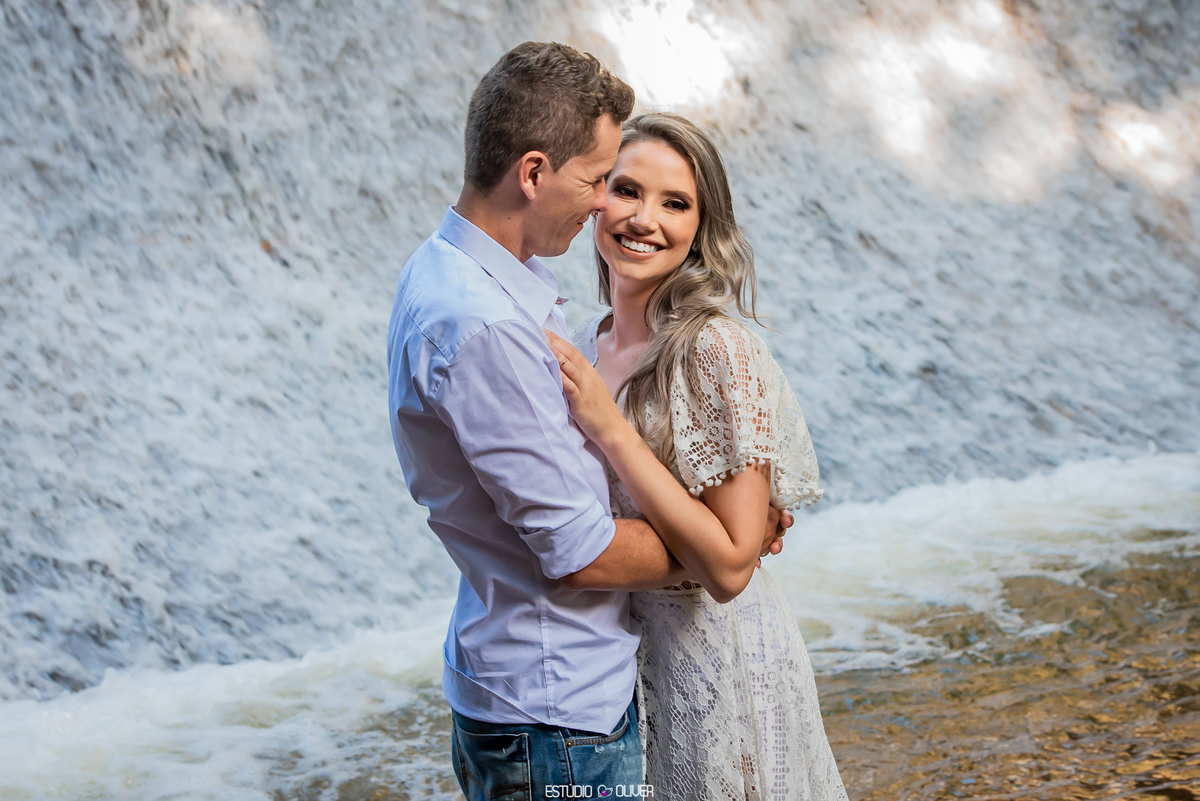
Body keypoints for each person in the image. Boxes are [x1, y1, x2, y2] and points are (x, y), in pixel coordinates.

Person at [386, 44, 792, 800]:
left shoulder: (482, 286)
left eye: (671, 200)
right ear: (533, 172)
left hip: (576, 686)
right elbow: (579, 551)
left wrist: (725, 538)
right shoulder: (495, 327)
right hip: (555, 703)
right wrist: (720, 547)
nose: (610, 204)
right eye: (604, 180)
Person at [547, 112, 849, 800]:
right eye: (626, 191)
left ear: (701, 227)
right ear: (597, 198)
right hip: (623, 666)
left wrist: (610, 427)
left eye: (674, 203)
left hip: (722, 663)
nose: (643, 219)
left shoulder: (716, 349)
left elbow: (731, 567)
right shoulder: (586, 342)